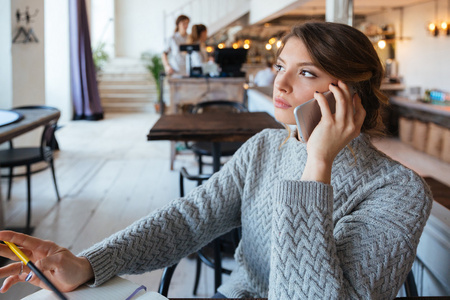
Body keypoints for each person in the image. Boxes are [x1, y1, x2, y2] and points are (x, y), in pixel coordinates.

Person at [0, 22, 432, 299]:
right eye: (281, 65)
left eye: (306, 73)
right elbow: (189, 219)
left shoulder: (398, 191)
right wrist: (88, 263)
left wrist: (316, 166)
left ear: (349, 95)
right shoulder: (266, 147)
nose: (278, 82)